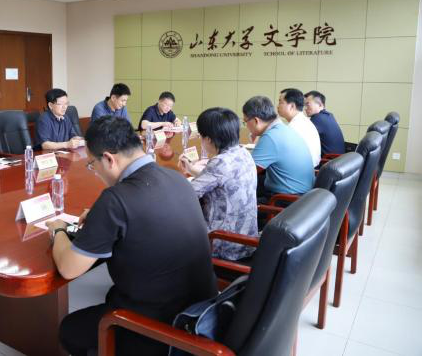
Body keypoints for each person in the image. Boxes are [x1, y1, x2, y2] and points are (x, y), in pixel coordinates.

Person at [46, 116, 217, 356]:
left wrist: (58, 229)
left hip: (162, 330)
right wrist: (99, 217)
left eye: (92, 164)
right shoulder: (177, 178)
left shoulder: (115, 199)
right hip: (202, 313)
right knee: (110, 297)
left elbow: (68, 268)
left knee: (70, 330)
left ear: (108, 159)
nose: (95, 171)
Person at [179, 108, 257, 261]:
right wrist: (191, 169)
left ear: (208, 139)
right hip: (246, 238)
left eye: (201, 136)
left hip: (224, 242)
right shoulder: (242, 152)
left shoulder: (220, 162)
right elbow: (218, 179)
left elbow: (186, 195)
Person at [243, 96, 314, 203]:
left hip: (287, 200)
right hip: (304, 194)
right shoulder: (283, 128)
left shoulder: (270, 137)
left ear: (256, 120)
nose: (246, 126)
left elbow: (247, 172)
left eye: (245, 121)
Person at [278, 88, 321, 167]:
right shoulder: (303, 121)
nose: (277, 106)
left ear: (292, 106)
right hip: (311, 169)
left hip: (301, 170)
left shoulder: (294, 127)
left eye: (280, 102)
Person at [304, 90, 346, 155]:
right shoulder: (329, 115)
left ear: (320, 105)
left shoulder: (317, 118)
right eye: (305, 105)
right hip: (340, 159)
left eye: (308, 104)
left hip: (329, 160)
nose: (305, 108)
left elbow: (302, 139)